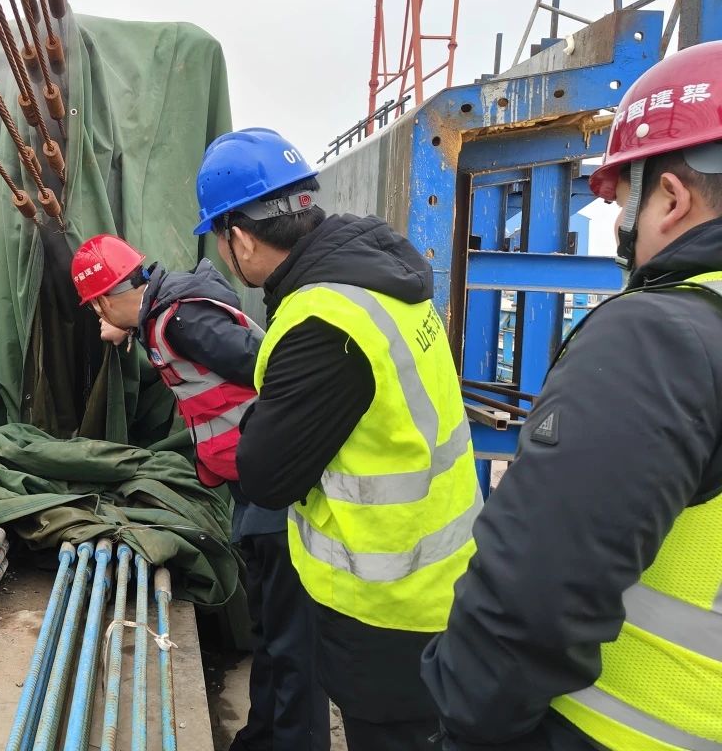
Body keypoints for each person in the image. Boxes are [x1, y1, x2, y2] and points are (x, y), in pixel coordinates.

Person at [421, 42, 722, 750]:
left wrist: (465, 723)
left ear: (671, 198)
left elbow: (533, 599)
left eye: (624, 203)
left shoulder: (661, 337)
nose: (618, 229)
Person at [194, 127, 482, 751]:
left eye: (219, 237)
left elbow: (266, 475)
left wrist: (257, 419)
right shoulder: (380, 274)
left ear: (240, 237)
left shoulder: (323, 319)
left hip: (384, 604)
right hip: (444, 574)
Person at [71, 233, 330, 751]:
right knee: (270, 628)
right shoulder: (166, 314)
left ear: (105, 299)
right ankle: (262, 738)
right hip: (253, 483)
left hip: (278, 487)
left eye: (96, 306)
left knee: (292, 637)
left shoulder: (183, 321)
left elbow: (271, 365)